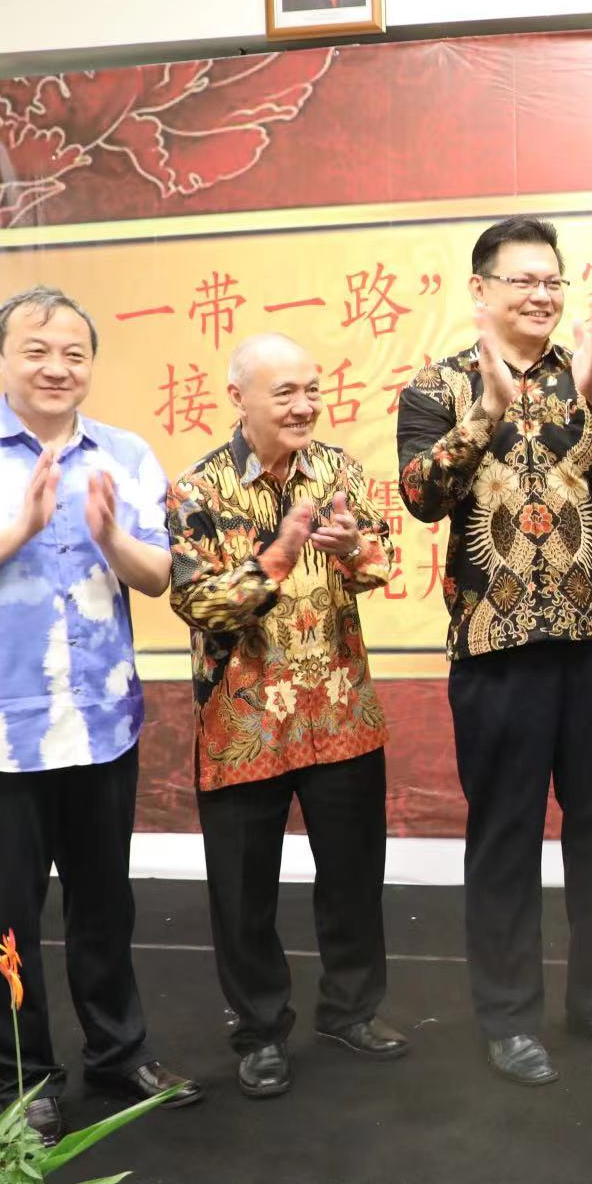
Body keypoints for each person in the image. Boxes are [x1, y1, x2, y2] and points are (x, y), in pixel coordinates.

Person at [0, 285, 202, 1145]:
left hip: (100, 726)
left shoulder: (125, 453)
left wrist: (110, 535)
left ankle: (120, 1053)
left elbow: (157, 575)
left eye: (73, 353)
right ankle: (23, 1080)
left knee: (105, 907)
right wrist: (18, 530)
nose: (57, 366)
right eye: (36, 350)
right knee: (5, 922)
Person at [396, 216, 592, 1086]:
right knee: (505, 837)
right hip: (495, 649)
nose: (543, 294)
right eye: (524, 280)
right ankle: (510, 1018)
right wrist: (485, 412)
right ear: (481, 290)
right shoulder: (438, 385)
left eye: (553, 280)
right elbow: (421, 496)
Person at [166, 332, 402, 1098]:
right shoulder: (197, 490)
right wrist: (279, 554)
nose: (304, 406)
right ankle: (261, 1031)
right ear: (239, 399)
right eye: (285, 393)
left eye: (312, 389)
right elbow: (197, 602)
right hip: (244, 721)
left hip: (339, 708)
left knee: (354, 878)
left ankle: (351, 1010)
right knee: (244, 894)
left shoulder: (339, 470)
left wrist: (353, 548)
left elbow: (383, 564)